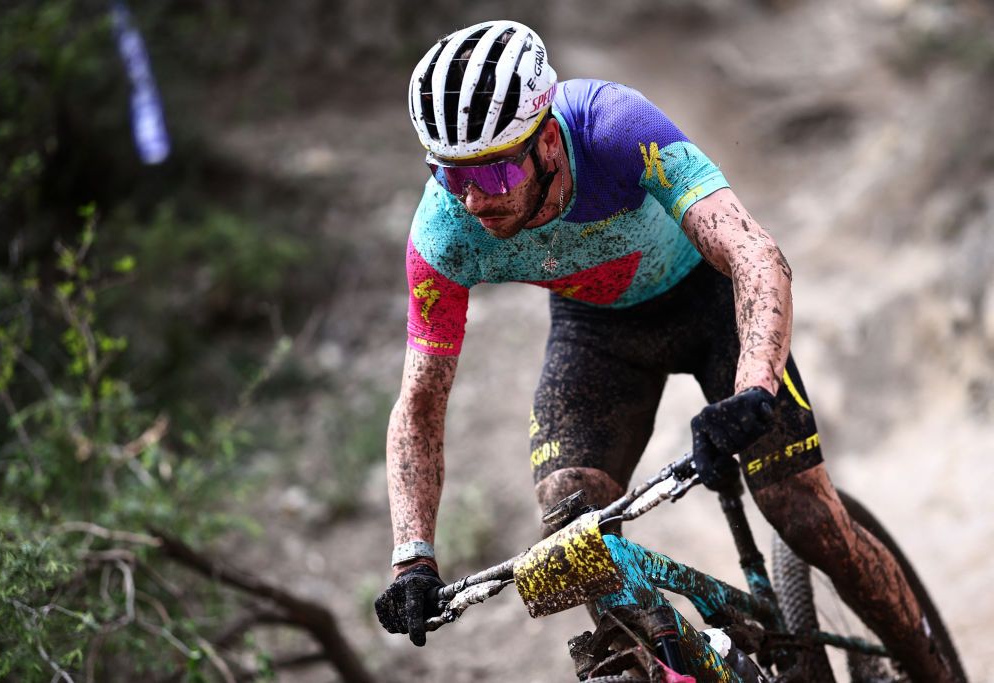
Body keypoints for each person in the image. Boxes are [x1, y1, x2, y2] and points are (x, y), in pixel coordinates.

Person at [374, 20, 956, 682]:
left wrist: (754, 388)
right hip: (598, 331)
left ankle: (930, 665)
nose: (474, 199)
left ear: (549, 143)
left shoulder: (613, 128)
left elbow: (752, 252)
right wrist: (412, 556)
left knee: (808, 519)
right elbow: (420, 397)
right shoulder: (444, 229)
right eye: (450, 175)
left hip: (710, 303)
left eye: (497, 170)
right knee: (572, 524)